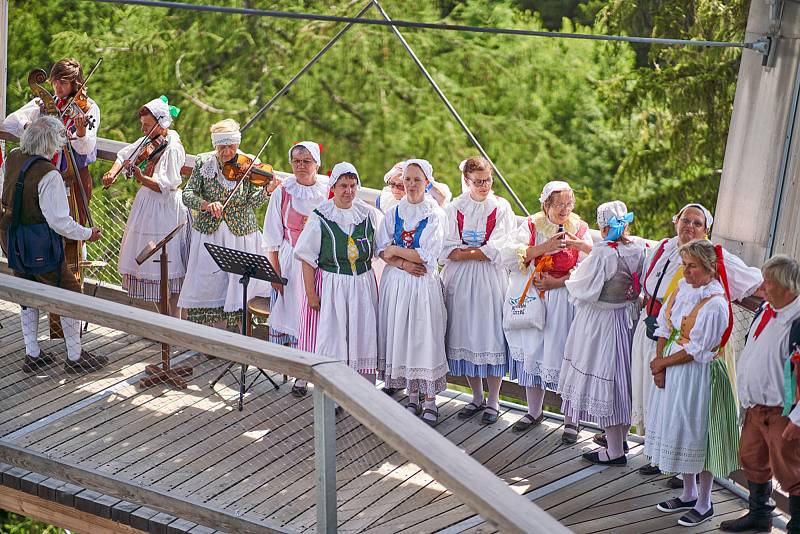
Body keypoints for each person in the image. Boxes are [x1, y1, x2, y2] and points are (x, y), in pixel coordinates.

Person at [628, 203, 761, 477]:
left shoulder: (716, 259)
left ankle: (686, 476)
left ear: (706, 230)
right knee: (659, 402)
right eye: (685, 220)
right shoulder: (663, 248)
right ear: (676, 221)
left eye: (697, 223)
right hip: (657, 335)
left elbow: (756, 282)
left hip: (690, 345)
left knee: (689, 411)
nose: (689, 226)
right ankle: (663, 457)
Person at [0, 116, 106, 373]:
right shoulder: (49, 174)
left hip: (10, 238)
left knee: (27, 293)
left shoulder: (13, 155)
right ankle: (74, 356)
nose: (61, 146)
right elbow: (59, 222)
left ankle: (33, 354)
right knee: (70, 295)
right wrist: (86, 233)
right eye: (59, 141)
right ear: (49, 142)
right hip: (38, 245)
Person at [644, 239, 739, 527]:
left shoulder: (715, 304)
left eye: (692, 266)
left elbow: (698, 350)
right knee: (678, 429)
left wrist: (662, 363)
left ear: (710, 269)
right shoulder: (682, 290)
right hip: (673, 371)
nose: (686, 271)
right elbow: (663, 326)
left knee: (699, 433)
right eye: (685, 265)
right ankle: (688, 492)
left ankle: (705, 502)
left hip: (699, 376)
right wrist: (659, 364)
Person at [501, 180, 592, 437]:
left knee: (565, 353)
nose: (565, 209)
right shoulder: (532, 224)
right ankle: (534, 410)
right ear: (546, 204)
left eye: (568, 204)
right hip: (535, 296)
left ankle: (571, 420)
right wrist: (544, 248)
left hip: (564, 298)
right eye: (559, 204)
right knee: (534, 350)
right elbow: (510, 255)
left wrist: (558, 281)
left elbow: (587, 268)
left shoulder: (579, 228)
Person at [558, 201, 645, 464]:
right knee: (623, 379)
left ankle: (615, 450)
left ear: (602, 225)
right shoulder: (639, 248)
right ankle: (620, 440)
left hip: (603, 321)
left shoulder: (603, 254)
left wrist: (574, 275)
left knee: (604, 377)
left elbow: (583, 288)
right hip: (628, 318)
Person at [720, 255, 800, 534]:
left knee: (791, 471)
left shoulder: (797, 319)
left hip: (782, 411)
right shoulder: (767, 308)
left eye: (769, 281)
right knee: (752, 458)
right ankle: (760, 515)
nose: (762, 286)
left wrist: (798, 418)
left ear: (787, 285)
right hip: (756, 408)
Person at [178, 119, 275, 328]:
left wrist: (267, 191)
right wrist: (205, 204)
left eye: (232, 146)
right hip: (210, 234)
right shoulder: (204, 162)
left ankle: (242, 336)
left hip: (241, 234)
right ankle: (215, 336)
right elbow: (187, 194)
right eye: (222, 147)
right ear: (215, 145)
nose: (227, 152)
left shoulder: (248, 163)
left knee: (240, 285)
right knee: (210, 284)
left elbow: (251, 203)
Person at [441, 156, 515, 425]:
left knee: (490, 334)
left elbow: (498, 248)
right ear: (467, 181)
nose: (484, 186)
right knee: (465, 333)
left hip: (490, 280)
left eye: (487, 181)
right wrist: (473, 252)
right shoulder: (455, 208)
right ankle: (476, 396)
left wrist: (467, 251)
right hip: (460, 281)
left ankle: (494, 399)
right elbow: (447, 248)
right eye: (478, 182)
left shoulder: (501, 208)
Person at [294, 162, 383, 386]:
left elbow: (383, 249)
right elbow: (306, 258)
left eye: (353, 185)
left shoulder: (368, 215)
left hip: (363, 285)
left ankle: (363, 391)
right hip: (333, 285)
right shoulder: (321, 216)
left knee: (362, 337)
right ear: (333, 186)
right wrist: (311, 295)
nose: (348, 191)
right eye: (343, 185)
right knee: (334, 338)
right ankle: (333, 393)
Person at [377, 159, 448, 425]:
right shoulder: (395, 211)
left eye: (417, 180)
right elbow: (381, 249)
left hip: (422, 286)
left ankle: (430, 400)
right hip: (397, 283)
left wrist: (397, 251)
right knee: (403, 336)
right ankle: (412, 396)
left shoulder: (435, 214)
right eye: (407, 179)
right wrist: (403, 261)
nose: (410, 185)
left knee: (423, 336)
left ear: (427, 182)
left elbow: (426, 255)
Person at [102, 97, 188, 315]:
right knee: (150, 267)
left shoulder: (174, 148)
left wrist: (141, 177)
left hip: (165, 210)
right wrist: (113, 172)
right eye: (142, 125)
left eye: (147, 125)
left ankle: (174, 323)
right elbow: (123, 154)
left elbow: (165, 186)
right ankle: (164, 321)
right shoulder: (148, 141)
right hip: (148, 207)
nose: (143, 129)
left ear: (162, 124)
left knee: (169, 269)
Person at [2, 58, 99, 204]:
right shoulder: (47, 102)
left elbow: (85, 148)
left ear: (75, 84)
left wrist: (80, 132)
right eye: (55, 81)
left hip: (73, 179)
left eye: (63, 83)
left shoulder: (89, 108)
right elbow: (10, 121)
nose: (57, 87)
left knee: (71, 223)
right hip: (42, 172)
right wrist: (29, 126)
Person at [262, 141, 327, 349]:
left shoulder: (326, 192)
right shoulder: (283, 192)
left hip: (319, 262)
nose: (301, 166)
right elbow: (272, 239)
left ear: (317, 164)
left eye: (307, 161)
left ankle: (310, 359)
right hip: (289, 261)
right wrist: (275, 275)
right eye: (296, 161)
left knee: (313, 311)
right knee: (288, 312)